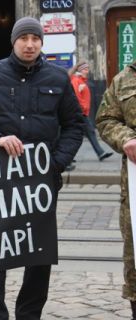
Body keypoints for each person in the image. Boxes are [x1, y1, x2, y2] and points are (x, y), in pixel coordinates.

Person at [0, 17, 84, 319]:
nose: (30, 44)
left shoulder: (56, 78)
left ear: (42, 43)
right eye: (24, 38)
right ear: (13, 41)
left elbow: (75, 125)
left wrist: (56, 162)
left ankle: (29, 313)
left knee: (39, 253)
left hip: (41, 182)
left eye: (35, 39)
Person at [96, 61, 136, 319]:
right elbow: (106, 119)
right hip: (135, 186)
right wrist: (126, 139)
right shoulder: (123, 80)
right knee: (135, 253)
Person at [69, 61, 113, 161]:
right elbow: (76, 97)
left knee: (78, 135)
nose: (87, 71)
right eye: (85, 69)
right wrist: (81, 109)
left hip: (82, 112)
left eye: (88, 69)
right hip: (80, 113)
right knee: (90, 132)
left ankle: (70, 157)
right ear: (80, 70)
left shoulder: (82, 80)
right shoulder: (76, 80)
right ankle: (100, 153)